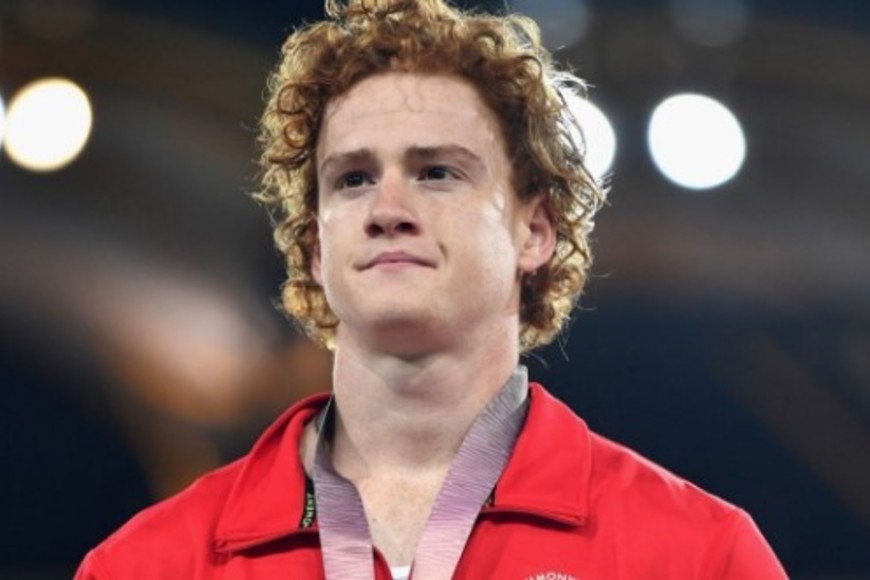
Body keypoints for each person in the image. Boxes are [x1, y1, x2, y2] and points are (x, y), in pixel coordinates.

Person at [76, 0, 787, 578]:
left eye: (437, 172)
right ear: (317, 249)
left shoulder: (696, 555)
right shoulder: (150, 564)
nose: (387, 209)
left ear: (535, 230)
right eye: (352, 179)